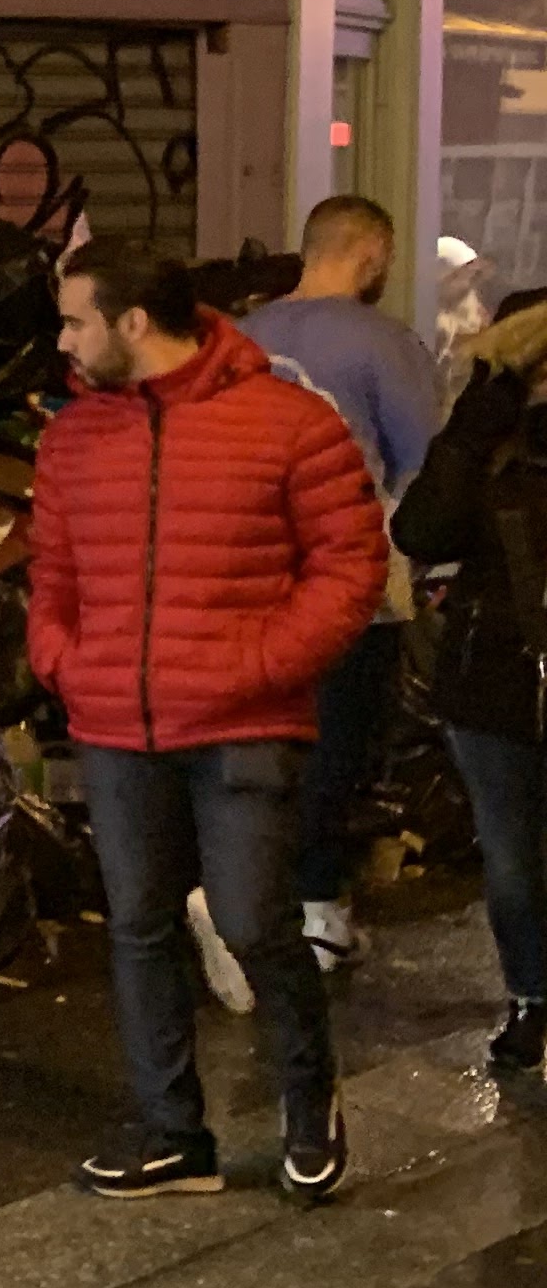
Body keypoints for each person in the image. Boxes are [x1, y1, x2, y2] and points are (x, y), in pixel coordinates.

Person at [28, 234, 386, 1204]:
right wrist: (62, 659)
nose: (63, 340)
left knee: (254, 920)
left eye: (75, 321)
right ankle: (173, 1135)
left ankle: (309, 1101)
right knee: (139, 927)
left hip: (243, 725)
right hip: (114, 725)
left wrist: (259, 666)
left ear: (133, 322)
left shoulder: (289, 423)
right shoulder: (73, 438)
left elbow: (353, 565)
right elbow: (52, 573)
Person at [239, 194, 445, 972]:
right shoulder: (383, 342)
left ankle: (246, 899)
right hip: (350, 576)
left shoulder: (241, 336)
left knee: (257, 742)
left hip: (249, 572)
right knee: (339, 741)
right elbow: (424, 463)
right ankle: (318, 907)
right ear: (372, 255)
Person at [384, 283, 547, 1076]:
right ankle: (531, 999)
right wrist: (478, 425)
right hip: (494, 681)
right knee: (512, 859)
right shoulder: (484, 441)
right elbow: (421, 530)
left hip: (495, 674)